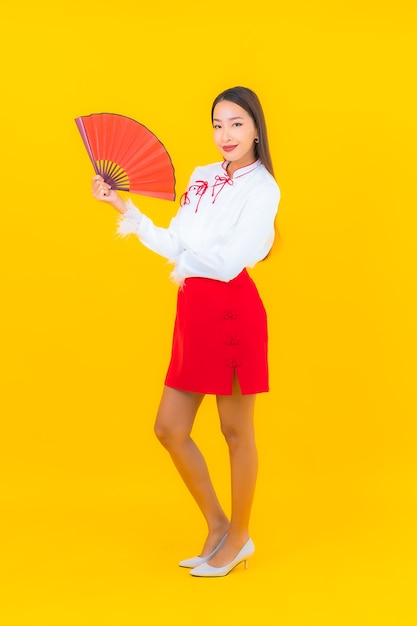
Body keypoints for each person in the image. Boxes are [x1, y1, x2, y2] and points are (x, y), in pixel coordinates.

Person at [91, 86, 280, 577]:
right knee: (169, 429)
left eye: (237, 123)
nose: (226, 135)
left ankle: (239, 538)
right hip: (192, 311)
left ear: (257, 127)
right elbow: (175, 240)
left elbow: (229, 263)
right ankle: (218, 526)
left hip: (233, 313)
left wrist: (186, 253)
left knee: (235, 432)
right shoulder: (201, 177)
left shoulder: (264, 190)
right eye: (218, 124)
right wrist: (122, 207)